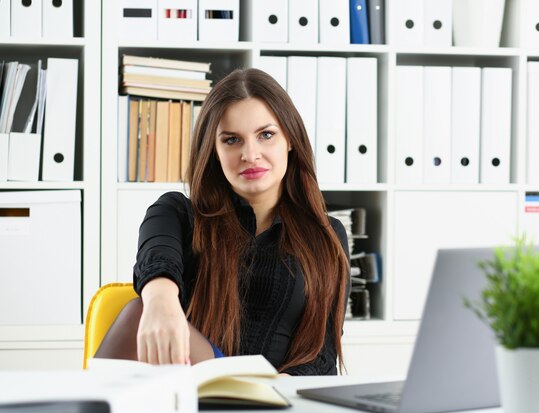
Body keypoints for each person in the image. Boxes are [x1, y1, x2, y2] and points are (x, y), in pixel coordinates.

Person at [95, 68, 350, 375]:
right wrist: (160, 300)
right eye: (232, 140)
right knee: (140, 310)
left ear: (290, 139)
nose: (250, 154)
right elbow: (156, 258)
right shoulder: (177, 212)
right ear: (214, 151)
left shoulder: (327, 235)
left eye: (266, 135)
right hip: (196, 387)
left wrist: (276, 389)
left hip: (278, 398)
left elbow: (322, 356)